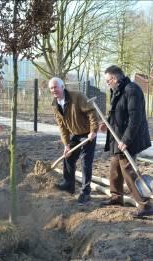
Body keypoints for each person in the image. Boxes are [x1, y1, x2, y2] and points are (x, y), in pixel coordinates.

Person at [100, 65, 153, 218]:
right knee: (115, 168)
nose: (107, 83)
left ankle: (145, 204)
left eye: (108, 80)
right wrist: (107, 124)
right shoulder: (117, 90)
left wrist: (126, 140)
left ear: (115, 78)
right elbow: (117, 113)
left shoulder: (132, 90)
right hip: (119, 137)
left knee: (128, 170)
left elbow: (135, 118)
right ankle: (116, 197)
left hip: (131, 138)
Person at [48, 77, 99, 205]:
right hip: (76, 134)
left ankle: (85, 192)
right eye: (51, 88)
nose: (54, 90)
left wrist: (93, 130)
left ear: (62, 86)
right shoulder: (55, 104)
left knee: (86, 161)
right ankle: (69, 184)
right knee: (68, 157)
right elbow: (62, 127)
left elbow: (92, 112)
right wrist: (66, 145)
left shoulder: (77, 97)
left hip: (88, 133)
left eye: (56, 87)